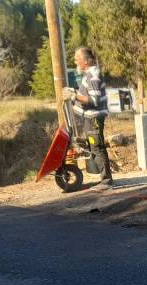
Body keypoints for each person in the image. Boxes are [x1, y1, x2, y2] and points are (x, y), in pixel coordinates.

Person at [62, 47, 113, 191]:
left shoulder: (93, 75)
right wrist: (75, 94)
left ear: (85, 61)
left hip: (94, 119)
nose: (75, 61)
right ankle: (105, 179)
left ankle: (107, 181)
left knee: (97, 148)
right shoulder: (89, 74)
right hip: (90, 118)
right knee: (94, 147)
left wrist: (74, 95)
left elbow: (94, 100)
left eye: (77, 59)